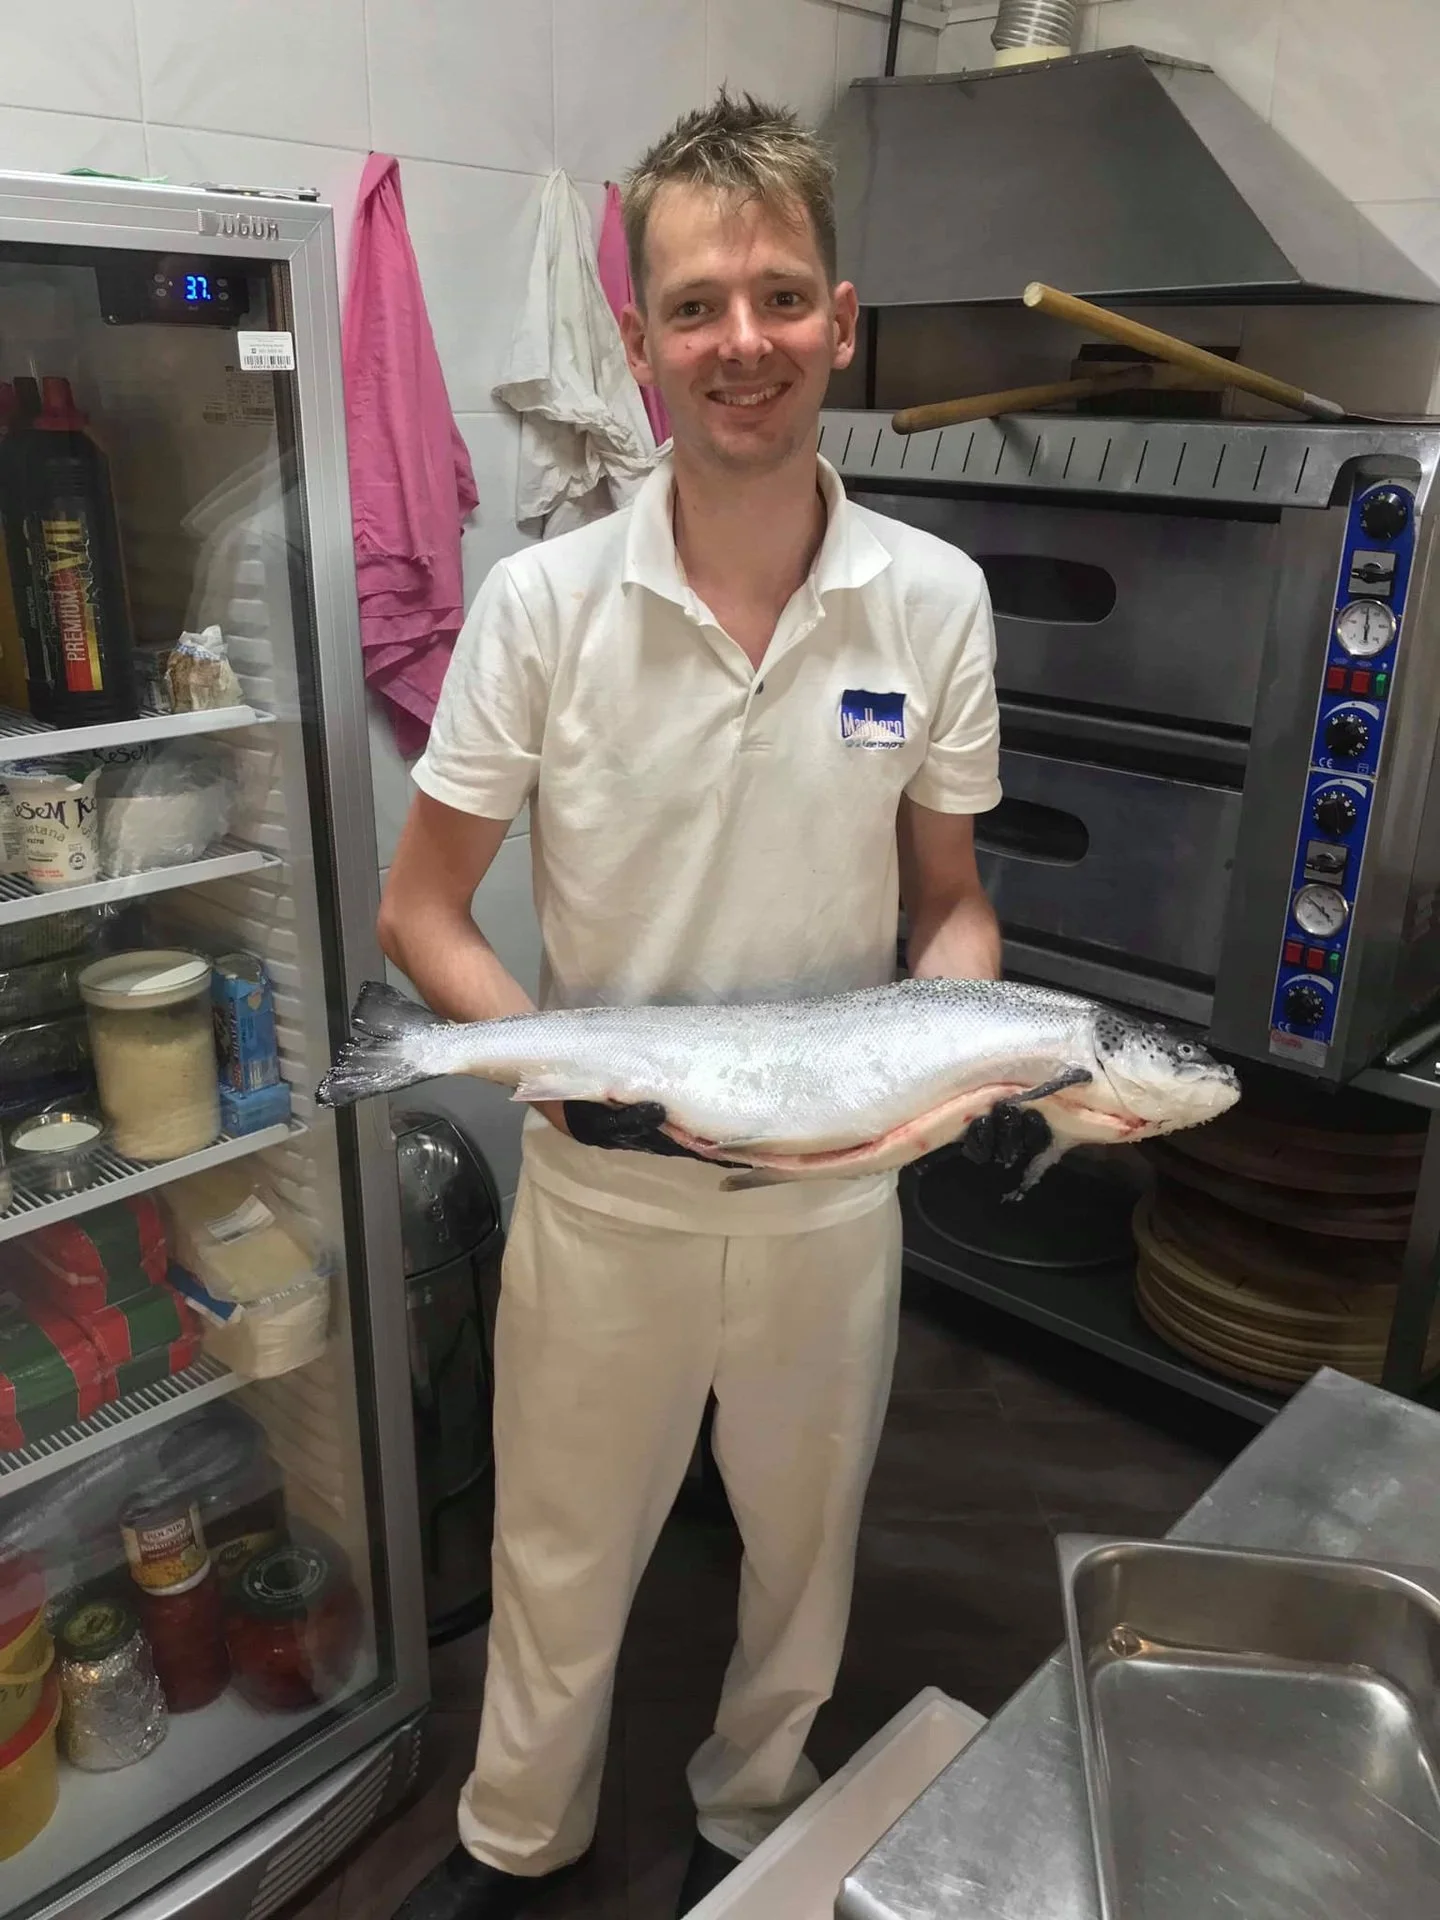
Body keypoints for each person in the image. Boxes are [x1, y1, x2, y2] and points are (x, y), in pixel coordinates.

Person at [382, 89, 1042, 1920]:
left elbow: (955, 905)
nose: (736, 342)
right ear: (641, 341)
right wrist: (548, 1063)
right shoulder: (542, 605)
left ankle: (758, 1813)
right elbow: (421, 908)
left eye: (776, 297)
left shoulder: (935, 601)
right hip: (606, 1199)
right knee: (560, 1548)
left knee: (804, 1551)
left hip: (839, 1196)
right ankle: (521, 1841)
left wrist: (955, 1047)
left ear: (842, 319)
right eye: (694, 305)